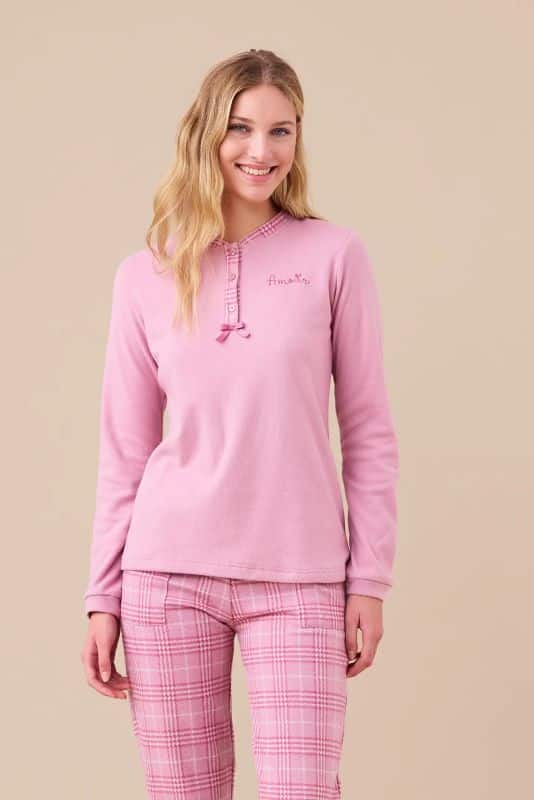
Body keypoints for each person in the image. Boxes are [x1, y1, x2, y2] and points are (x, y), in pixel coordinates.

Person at [80, 48, 399, 799]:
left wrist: (370, 577)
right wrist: (103, 595)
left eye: (281, 130)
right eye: (241, 128)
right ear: (206, 133)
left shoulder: (333, 255)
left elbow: (368, 430)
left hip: (300, 577)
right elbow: (125, 449)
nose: (262, 150)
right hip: (166, 576)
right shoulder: (144, 275)